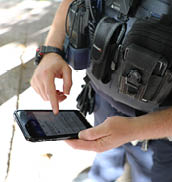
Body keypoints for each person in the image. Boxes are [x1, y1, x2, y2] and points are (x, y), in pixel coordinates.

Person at [30, 0, 172, 182]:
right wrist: (51, 51)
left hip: (160, 128)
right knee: (105, 161)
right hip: (100, 95)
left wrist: (136, 129)